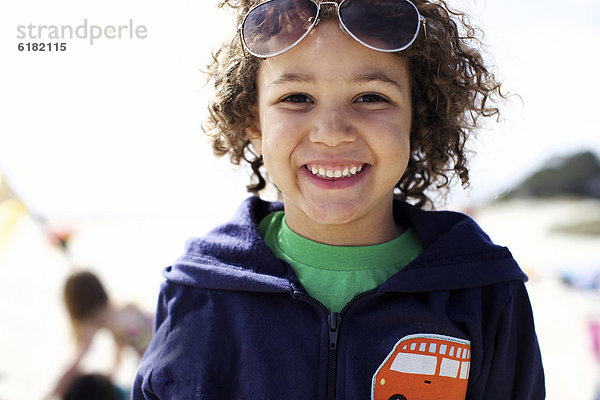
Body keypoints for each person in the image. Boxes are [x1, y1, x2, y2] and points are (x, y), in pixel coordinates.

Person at [133, 0, 545, 398]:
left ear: (418, 118)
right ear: (252, 120)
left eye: (370, 97)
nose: (332, 131)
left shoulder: (485, 293)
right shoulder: (196, 291)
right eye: (296, 98)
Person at [50, 270, 153, 398]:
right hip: (165, 364)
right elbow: (117, 362)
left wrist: (50, 394)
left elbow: (74, 365)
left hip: (157, 374)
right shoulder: (124, 310)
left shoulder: (94, 322)